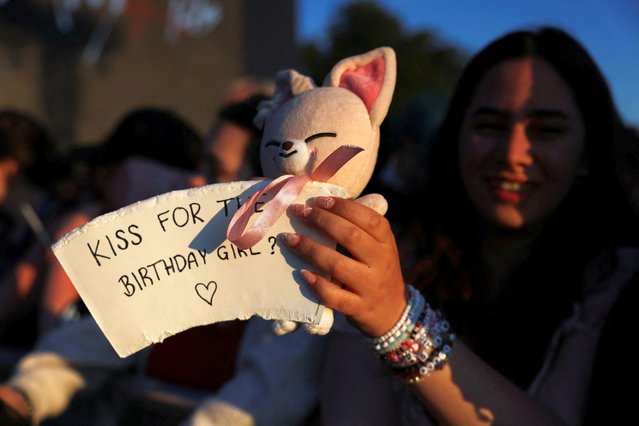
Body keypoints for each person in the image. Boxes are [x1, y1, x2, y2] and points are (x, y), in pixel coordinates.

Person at [279, 27, 639, 425]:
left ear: (588, 152)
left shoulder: (615, 284)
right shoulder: (396, 256)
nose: (513, 154)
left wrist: (398, 321)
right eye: (490, 124)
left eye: (547, 130)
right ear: (457, 135)